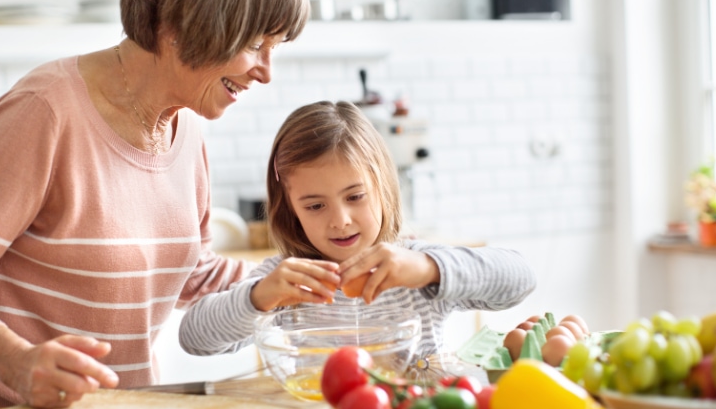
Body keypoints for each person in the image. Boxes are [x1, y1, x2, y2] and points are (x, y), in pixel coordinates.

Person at [0, 0, 310, 409]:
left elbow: (192, 274)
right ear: (185, 24)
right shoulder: (45, 111)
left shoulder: (186, 128)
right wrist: (14, 361)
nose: (266, 71)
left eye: (276, 47)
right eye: (254, 43)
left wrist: (297, 282)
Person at [179, 101, 537, 361]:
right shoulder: (287, 278)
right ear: (291, 210)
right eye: (315, 206)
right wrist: (258, 297)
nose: (340, 220)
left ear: (383, 187)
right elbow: (194, 338)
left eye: (355, 196)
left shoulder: (414, 267)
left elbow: (520, 278)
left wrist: (429, 269)